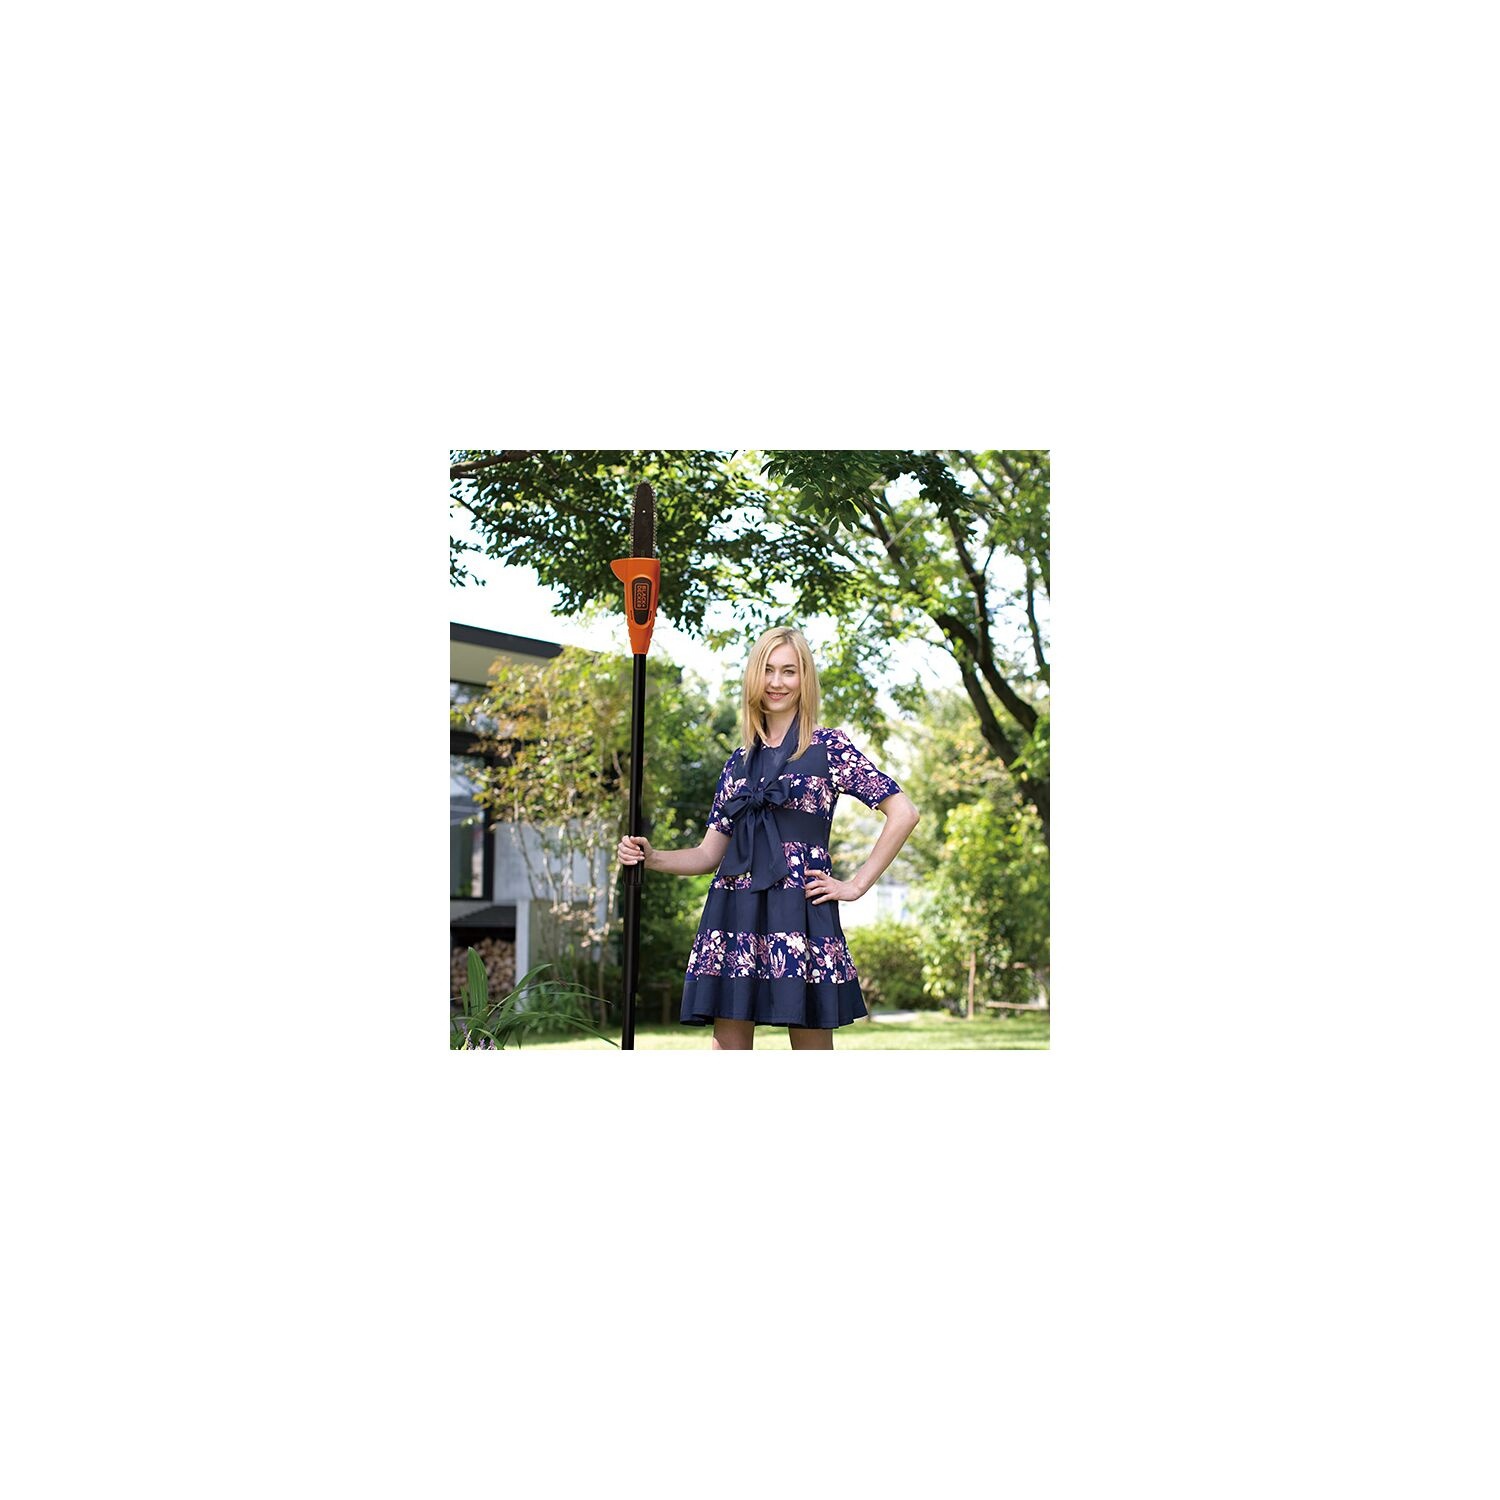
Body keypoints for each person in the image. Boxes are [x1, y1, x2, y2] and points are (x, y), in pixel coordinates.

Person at [616, 625, 920, 1050]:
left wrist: (855, 885)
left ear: (804, 678)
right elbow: (708, 854)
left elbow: (904, 813)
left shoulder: (828, 747)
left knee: (811, 1052)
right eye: (768, 670)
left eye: (789, 671)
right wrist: (652, 857)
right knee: (729, 1051)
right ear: (754, 678)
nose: (777, 682)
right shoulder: (737, 763)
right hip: (735, 910)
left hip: (800, 911)